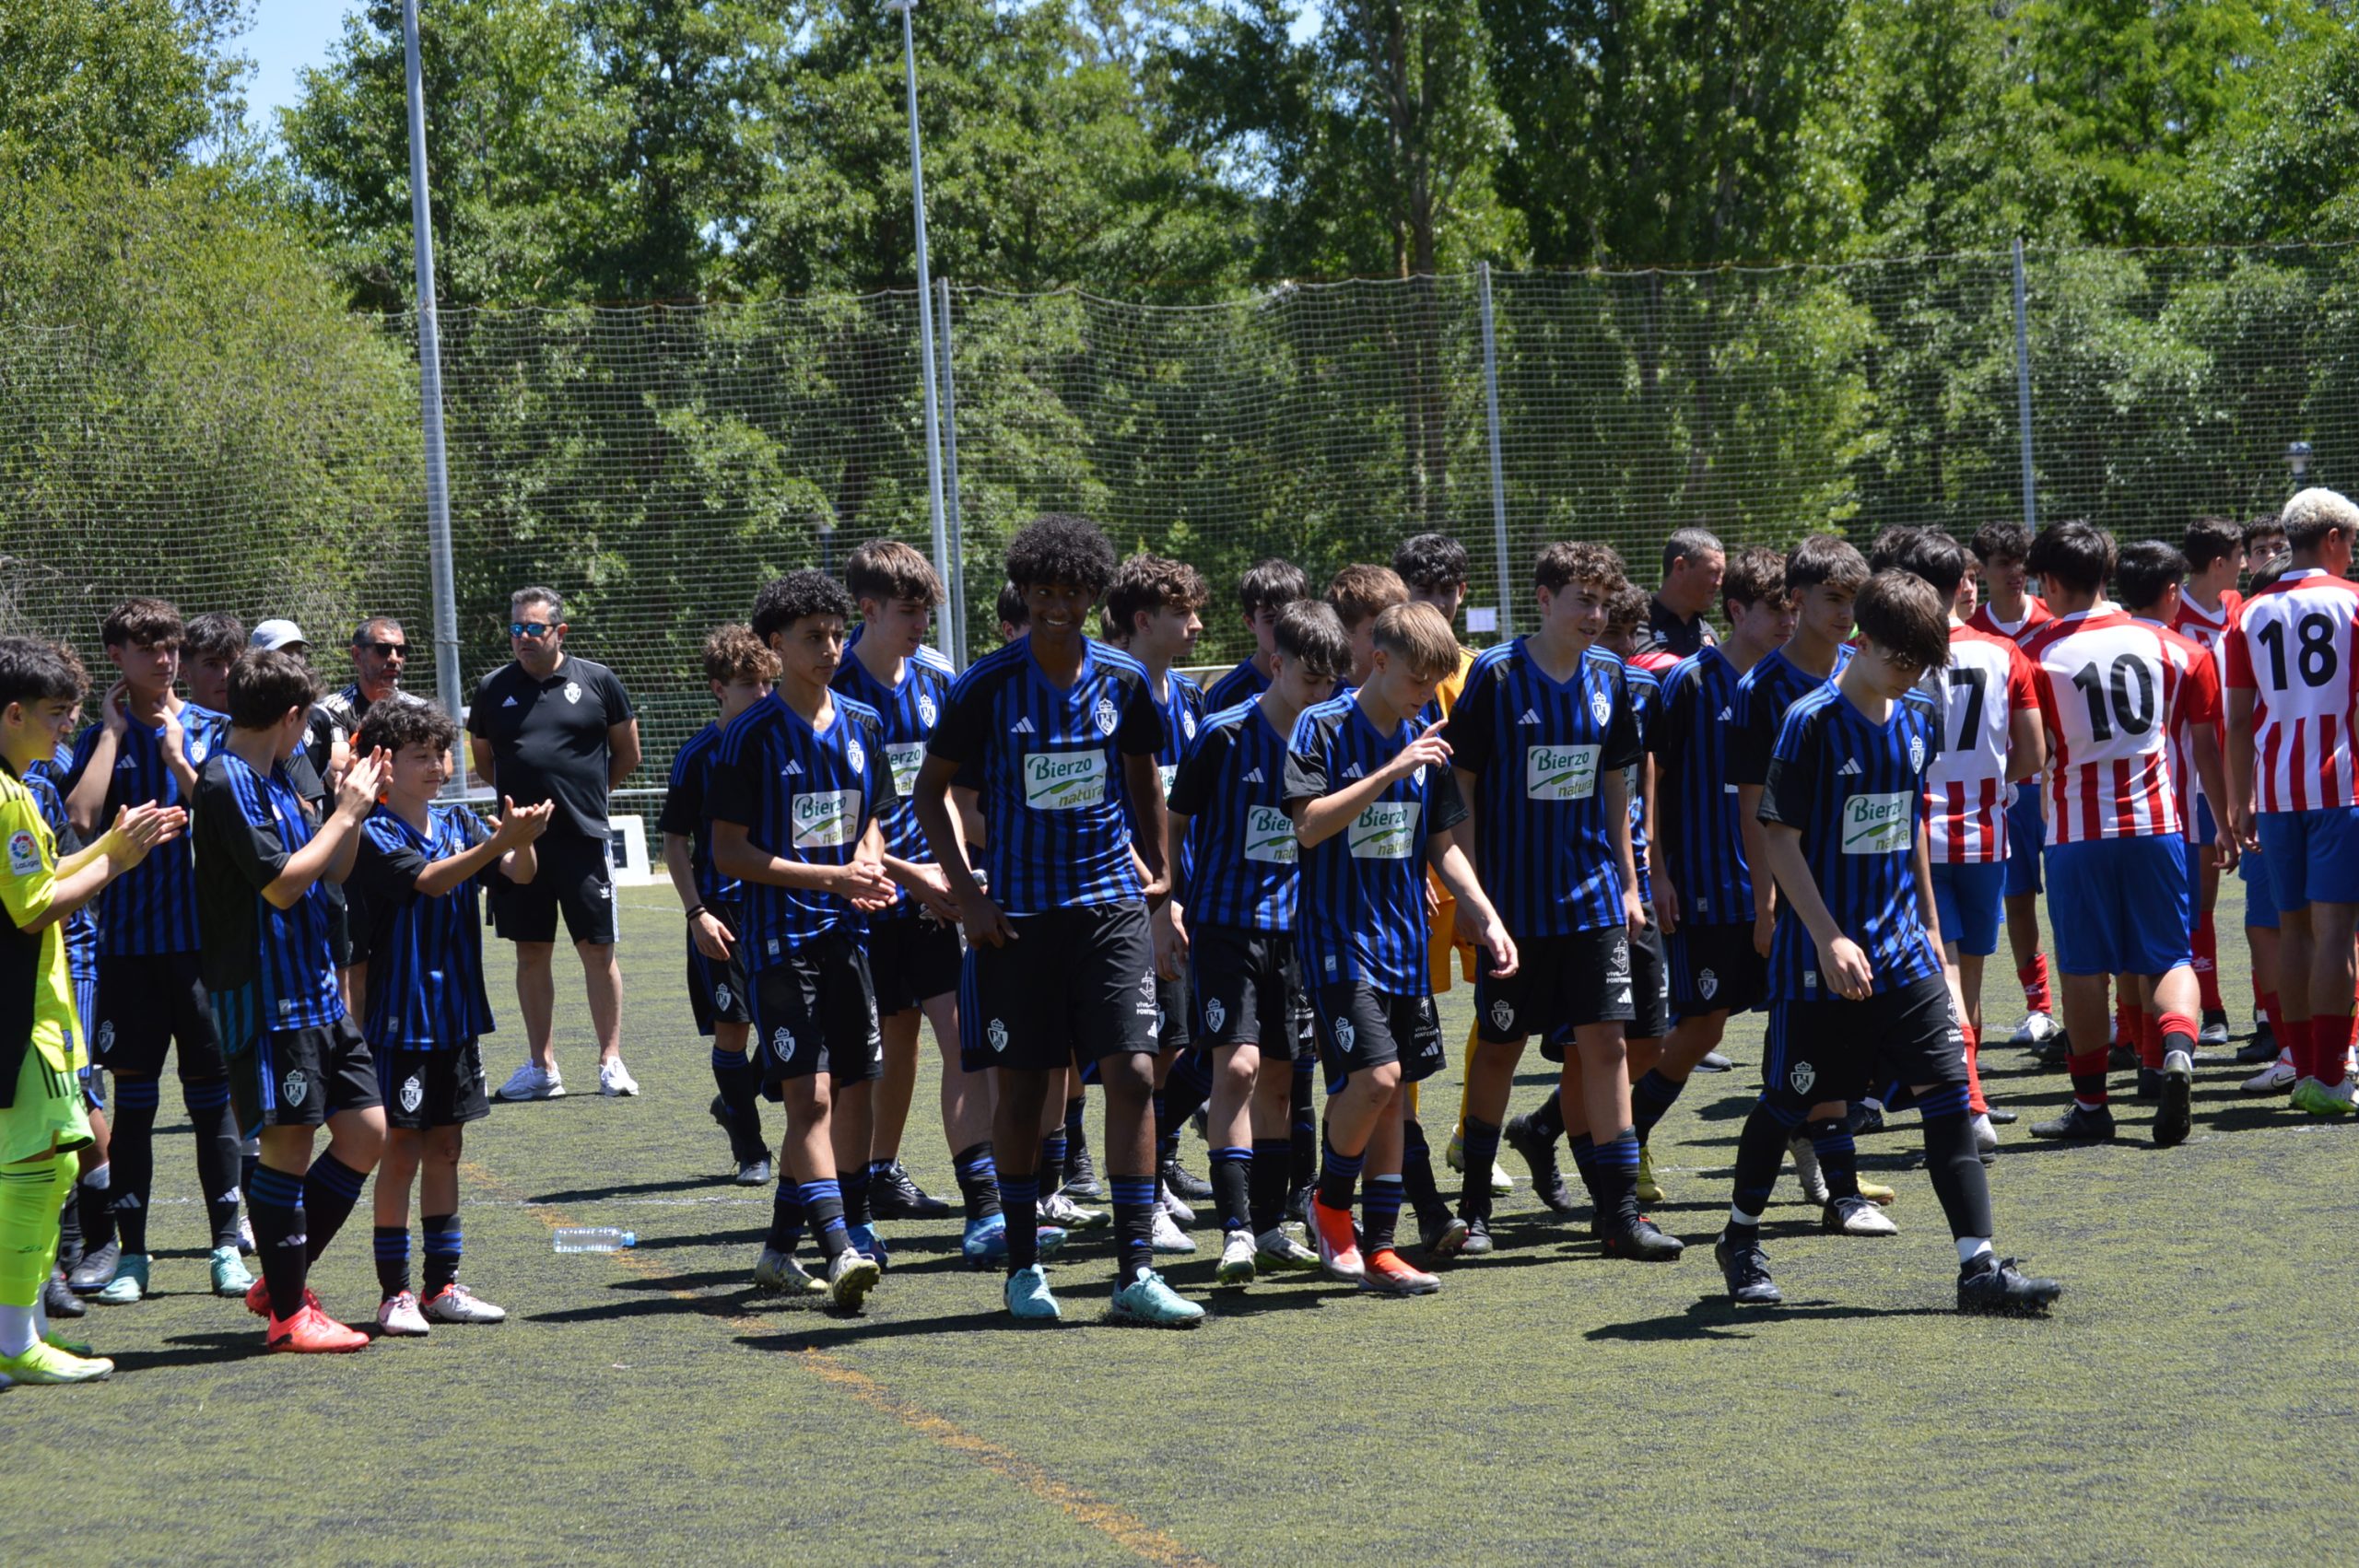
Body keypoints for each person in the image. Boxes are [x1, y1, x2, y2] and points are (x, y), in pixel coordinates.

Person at [1714, 570, 2062, 1316]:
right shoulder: (1809, 723)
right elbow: (1778, 839)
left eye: (1919, 665)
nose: (1908, 675)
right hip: (1822, 962)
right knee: (1788, 1102)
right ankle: (1740, 1241)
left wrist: (1932, 930)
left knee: (1947, 1100)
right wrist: (1828, 936)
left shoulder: (1917, 718)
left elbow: (1905, 831)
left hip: (1904, 952)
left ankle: (1979, 1270)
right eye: (1898, 659)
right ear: (1861, 642)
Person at [910, 514, 1201, 1327]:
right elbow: (929, 795)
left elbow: (1145, 777)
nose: (1056, 606)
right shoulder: (986, 686)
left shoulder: (1122, 680)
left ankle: (1134, 1273)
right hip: (1019, 921)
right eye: (1043, 593)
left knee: (1137, 1075)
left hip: (1108, 909)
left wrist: (1162, 879)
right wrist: (967, 892)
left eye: (1071, 593)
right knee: (1028, 1090)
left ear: (1090, 597)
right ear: (1026, 593)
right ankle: (1025, 1265)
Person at [1446, 544, 1676, 1261]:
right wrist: (1477, 899)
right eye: (1582, 599)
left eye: (1604, 603)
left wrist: (1631, 882)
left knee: (1605, 1045)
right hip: (1514, 905)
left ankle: (1620, 1215)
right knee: (1501, 1050)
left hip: (1593, 901)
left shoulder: (1613, 675)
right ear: (1543, 601)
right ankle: (1476, 1207)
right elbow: (1465, 789)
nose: (1596, 615)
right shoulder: (1496, 675)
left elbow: (1619, 787)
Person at [1288, 602, 1517, 1297]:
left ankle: (1382, 1248)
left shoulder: (1425, 735)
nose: (1428, 695)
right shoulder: (1320, 726)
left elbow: (1441, 845)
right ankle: (1328, 1204)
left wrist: (1483, 910)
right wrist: (1390, 771)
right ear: (1378, 660)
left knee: (1397, 1103)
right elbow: (1308, 827)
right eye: (1419, 680)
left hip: (1404, 945)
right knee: (1376, 1081)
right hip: (1336, 941)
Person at [709, 572, 895, 1310]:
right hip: (779, 943)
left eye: (836, 633)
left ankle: (779, 1251)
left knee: (853, 1087)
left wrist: (872, 861)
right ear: (775, 646)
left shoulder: (861, 724)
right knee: (809, 1098)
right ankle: (842, 1245)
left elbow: (871, 818)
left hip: (846, 938)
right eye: (812, 635)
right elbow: (729, 852)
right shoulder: (748, 736)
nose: (829, 647)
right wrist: (831, 879)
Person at [198, 649, 392, 1352]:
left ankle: (283, 1277)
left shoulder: (279, 779)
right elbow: (280, 884)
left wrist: (354, 809)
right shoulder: (227, 781)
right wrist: (341, 814)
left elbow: (332, 869)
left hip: (315, 991)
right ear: (290, 716)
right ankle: (287, 1315)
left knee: (367, 1130)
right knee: (287, 1144)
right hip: (268, 996)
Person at [0, 637, 182, 1384]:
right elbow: (34, 907)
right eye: (52, 716)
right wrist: (117, 860)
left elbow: (41, 876)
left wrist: (109, 842)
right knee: (38, 1172)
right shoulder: (7, 797)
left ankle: (23, 1333)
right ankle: (16, 1342)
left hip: (41, 1015)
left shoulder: (18, 786)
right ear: (12, 713)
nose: (63, 732)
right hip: (22, 1021)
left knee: (46, 1169)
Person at [59, 599, 249, 1304]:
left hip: (204, 952)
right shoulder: (97, 734)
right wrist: (111, 736)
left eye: (170, 648)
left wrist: (176, 755)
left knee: (211, 1105)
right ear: (117, 657)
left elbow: (231, 823)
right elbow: (80, 819)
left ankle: (227, 1248)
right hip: (130, 951)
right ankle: (132, 1256)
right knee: (134, 1107)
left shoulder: (212, 728)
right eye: (147, 649)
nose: (165, 661)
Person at [1596, 546, 1792, 1214]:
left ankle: (1829, 1175)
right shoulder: (1688, 682)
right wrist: (1659, 871)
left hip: (1782, 884)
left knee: (1800, 1019)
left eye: (1794, 608)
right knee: (1701, 1029)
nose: (1788, 622)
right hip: (1706, 883)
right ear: (1737, 612)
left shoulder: (1790, 682)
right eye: (1776, 610)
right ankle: (1625, 1141)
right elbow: (1655, 778)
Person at [352, 696, 550, 1334]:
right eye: (421, 757)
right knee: (401, 1151)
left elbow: (518, 875)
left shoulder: (460, 821)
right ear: (384, 767)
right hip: (400, 1017)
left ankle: (443, 1286)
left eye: (441, 753)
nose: (438, 766)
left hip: (456, 1015)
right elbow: (433, 881)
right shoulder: (376, 831)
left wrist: (518, 843)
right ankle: (395, 1294)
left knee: (446, 1147)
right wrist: (498, 842)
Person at [2022, 523, 2222, 1147]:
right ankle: (2177, 1052)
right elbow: (2206, 744)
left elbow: (2031, 754)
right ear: (2108, 572)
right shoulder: (2176, 648)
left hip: (2078, 835)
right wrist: (2225, 819)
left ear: (2050, 582)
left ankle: (2090, 1106)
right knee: (2170, 957)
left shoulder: (2034, 655)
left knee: (2084, 970)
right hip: (2159, 826)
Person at [1164, 599, 1346, 1283]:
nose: (1320, 694)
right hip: (1223, 925)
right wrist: (1170, 902)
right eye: (1309, 679)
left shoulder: (1330, 736)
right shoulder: (1223, 733)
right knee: (1234, 1069)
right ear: (1278, 662)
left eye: (1331, 683)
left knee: (1279, 1081)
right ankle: (1235, 1229)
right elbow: (1173, 821)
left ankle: (1269, 1226)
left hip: (1296, 931)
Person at [1731, 536, 1894, 1215]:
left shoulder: (1865, 670)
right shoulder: (1760, 689)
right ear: (1795, 601)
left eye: (1855, 600)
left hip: (1864, 893)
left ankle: (1830, 1171)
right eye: (1832, 599)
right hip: (1801, 896)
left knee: (1847, 1042)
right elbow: (1751, 806)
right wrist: (1766, 906)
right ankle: (1832, 1191)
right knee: (1805, 1047)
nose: (1846, 614)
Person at [833, 542, 975, 1223]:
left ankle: (988, 1200)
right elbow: (840, 824)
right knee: (889, 1044)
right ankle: (866, 1181)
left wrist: (953, 869)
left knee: (959, 1035)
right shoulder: (832, 696)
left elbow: (943, 791)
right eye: (909, 611)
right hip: (865, 902)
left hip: (930, 898)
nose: (922, 625)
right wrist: (906, 873)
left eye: (927, 611)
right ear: (869, 609)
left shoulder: (937, 684)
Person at [468, 588, 642, 1100]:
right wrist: (517, 817)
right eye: (516, 629)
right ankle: (542, 1067)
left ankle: (611, 1061)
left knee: (597, 951)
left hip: (583, 840)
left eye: (533, 629)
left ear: (558, 632)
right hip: (521, 844)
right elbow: (484, 761)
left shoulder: (598, 681)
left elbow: (626, 753)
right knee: (530, 952)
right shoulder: (491, 688)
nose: (522, 638)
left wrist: (585, 796)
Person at [1901, 530, 2043, 1155]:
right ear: (1960, 583)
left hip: (1917, 840)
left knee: (1943, 977)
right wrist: (1991, 783)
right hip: (1985, 836)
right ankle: (1970, 1100)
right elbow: (2033, 753)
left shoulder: (1888, 655)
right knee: (1970, 984)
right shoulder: (2004, 653)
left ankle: (1967, 1105)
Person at [2223, 487, 2359, 1117]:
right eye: (2351, 543)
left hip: (2276, 793)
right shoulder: (2354, 604)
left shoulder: (2247, 615)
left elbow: (2239, 720)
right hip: (2343, 790)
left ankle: (2304, 1068)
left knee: (2295, 932)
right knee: (2338, 933)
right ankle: (2332, 1076)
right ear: (2333, 539)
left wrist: (2239, 799)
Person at [1103, 555, 1213, 1243]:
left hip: (1193, 893)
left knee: (1185, 1038)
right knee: (1141, 1049)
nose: (1198, 625)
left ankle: (1160, 1162)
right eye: (1183, 613)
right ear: (1144, 621)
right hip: (1136, 897)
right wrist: (1155, 895)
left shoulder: (1192, 700)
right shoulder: (1109, 694)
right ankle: (1122, 1188)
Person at [663, 626, 780, 1185]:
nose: (761, 695)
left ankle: (740, 1098)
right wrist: (696, 913)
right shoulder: (697, 756)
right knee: (734, 1032)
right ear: (718, 689)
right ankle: (751, 1149)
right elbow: (675, 844)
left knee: (803, 1024)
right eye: (748, 685)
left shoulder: (784, 743)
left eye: (767, 684)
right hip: (721, 914)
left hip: (779, 906)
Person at [1966, 521, 2061, 1049]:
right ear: (1981, 570)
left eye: (2021, 561)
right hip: (2009, 789)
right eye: (2003, 563)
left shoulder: (2054, 622)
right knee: (2020, 896)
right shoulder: (1974, 630)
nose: (2015, 572)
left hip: (2063, 783)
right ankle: (2039, 1008)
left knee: (2070, 897)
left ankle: (2109, 1010)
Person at [2171, 521, 2246, 1045]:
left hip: (2245, 772)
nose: (2246, 562)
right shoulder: (2174, 618)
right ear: (2219, 561)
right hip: (2195, 779)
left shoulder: (2239, 607)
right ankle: (2211, 1008)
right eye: (2242, 553)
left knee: (2265, 902)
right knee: (2201, 897)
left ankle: (2271, 1018)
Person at [1203, 559, 1309, 712]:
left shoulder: (1324, 684)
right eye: (1271, 620)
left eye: (1292, 617)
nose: (1284, 629)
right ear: (1250, 623)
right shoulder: (1226, 696)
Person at [1639, 526, 1725, 664]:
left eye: (1721, 574)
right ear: (1680, 567)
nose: (1719, 582)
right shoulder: (1632, 628)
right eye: (1712, 572)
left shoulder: (1709, 636)